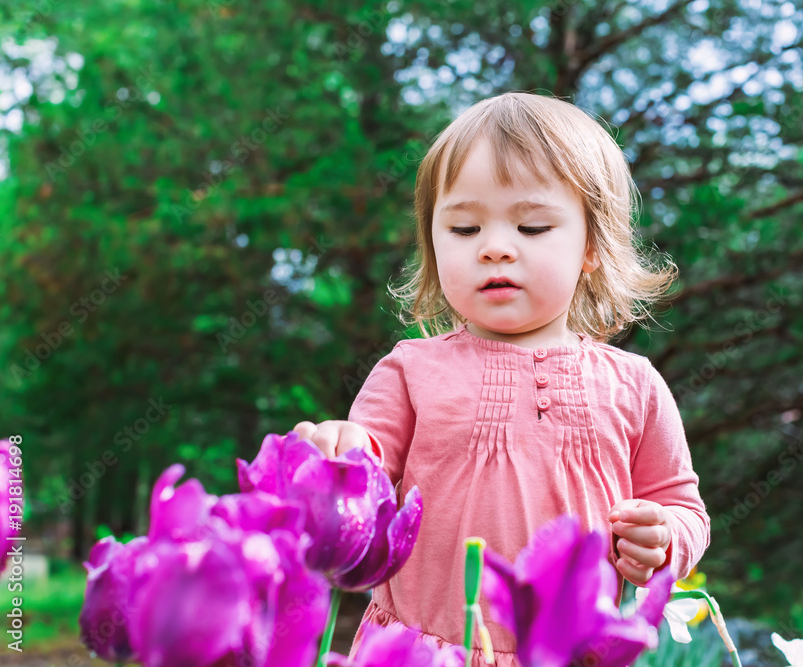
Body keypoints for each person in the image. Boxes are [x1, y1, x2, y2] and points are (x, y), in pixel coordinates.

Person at [293, 91, 710, 666]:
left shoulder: (634, 385)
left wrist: (664, 537)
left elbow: (681, 505)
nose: (494, 249)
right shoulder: (411, 369)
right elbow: (364, 476)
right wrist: (337, 452)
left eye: (533, 226)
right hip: (420, 653)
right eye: (464, 229)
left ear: (591, 245)